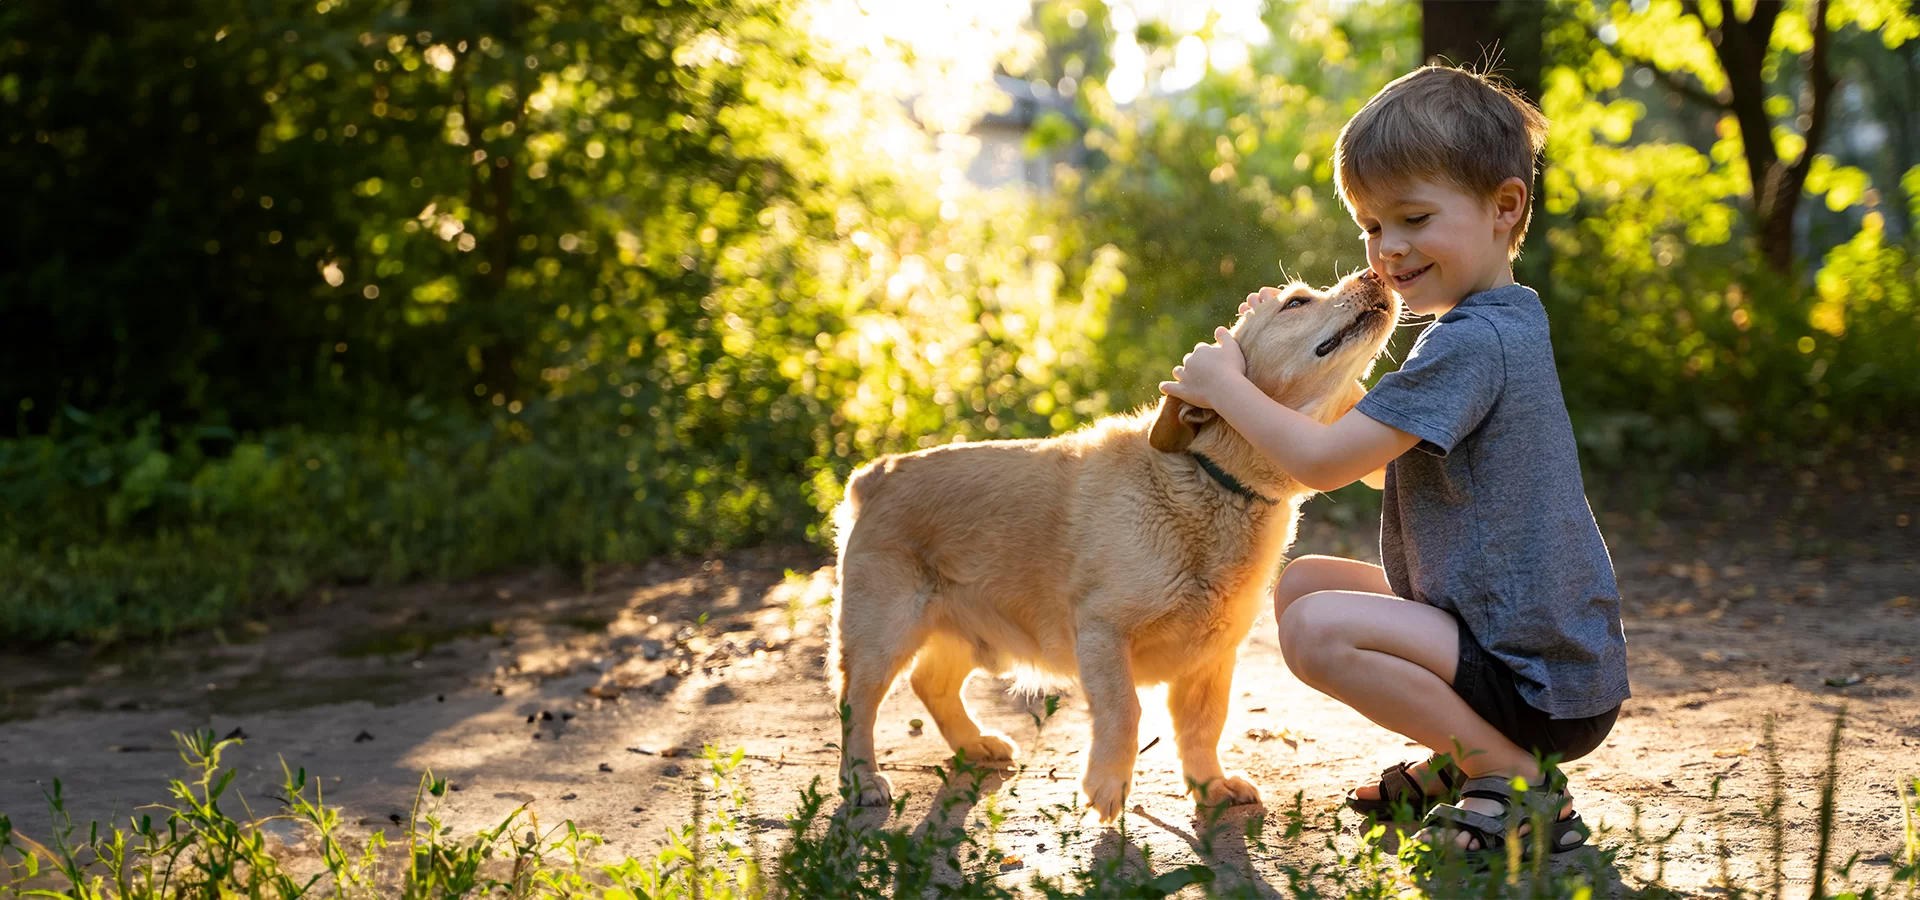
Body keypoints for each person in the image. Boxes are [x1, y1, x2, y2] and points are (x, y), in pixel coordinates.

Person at [1157, 64, 1628, 858]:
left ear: (1504, 206)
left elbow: (1326, 466)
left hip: (1539, 680)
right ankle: (1465, 758)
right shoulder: (1492, 324)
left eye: (1412, 218)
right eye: (1372, 227)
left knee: (1314, 631)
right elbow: (1385, 461)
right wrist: (1288, 345)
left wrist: (1229, 387)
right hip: (1516, 640)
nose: (1389, 249)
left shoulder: (1474, 341)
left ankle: (1514, 778)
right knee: (1305, 580)